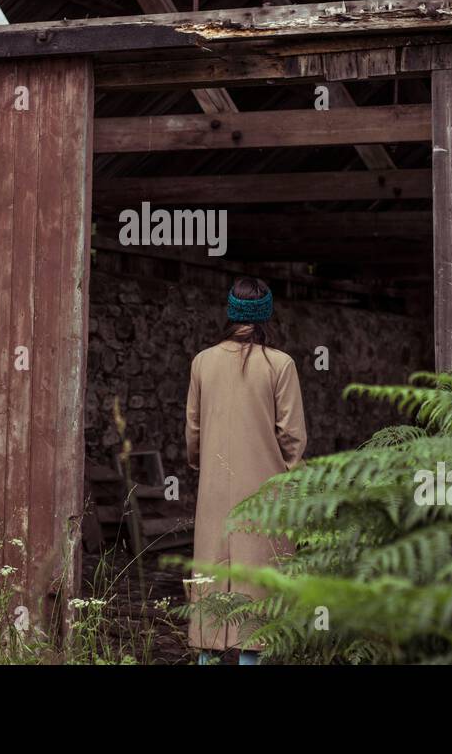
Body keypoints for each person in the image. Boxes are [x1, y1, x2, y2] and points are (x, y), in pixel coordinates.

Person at [184, 276, 307, 665]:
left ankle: (206, 658)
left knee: (211, 580)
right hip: (266, 493)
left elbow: (193, 432)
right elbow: (292, 437)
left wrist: (204, 467)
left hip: (215, 489)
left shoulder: (202, 362)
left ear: (230, 313)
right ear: (266, 316)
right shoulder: (281, 365)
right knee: (259, 586)